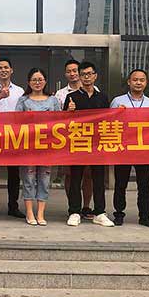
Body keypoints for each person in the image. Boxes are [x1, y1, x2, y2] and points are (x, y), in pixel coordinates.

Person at [63, 61, 114, 227]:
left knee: (98, 179)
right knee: (75, 178)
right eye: (83, 74)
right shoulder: (72, 97)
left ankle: (100, 212)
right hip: (78, 143)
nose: (86, 77)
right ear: (79, 77)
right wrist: (68, 112)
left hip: (97, 145)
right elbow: (63, 123)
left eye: (89, 74)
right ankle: (74, 211)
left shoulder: (102, 97)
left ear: (95, 76)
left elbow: (108, 119)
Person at [110, 69, 149, 228]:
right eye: (135, 79)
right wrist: (117, 114)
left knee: (144, 185)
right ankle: (118, 214)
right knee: (120, 184)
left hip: (144, 150)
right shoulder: (118, 101)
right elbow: (109, 123)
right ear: (129, 82)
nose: (138, 83)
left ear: (146, 82)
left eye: (142, 80)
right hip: (123, 149)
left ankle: (144, 216)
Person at [15, 68, 60, 226]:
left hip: (47, 147)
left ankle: (41, 213)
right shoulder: (23, 101)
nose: (37, 82)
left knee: (44, 179)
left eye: (40, 79)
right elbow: (16, 122)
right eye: (34, 80)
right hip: (28, 146)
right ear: (29, 82)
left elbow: (60, 121)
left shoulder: (53, 100)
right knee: (28, 179)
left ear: (45, 81)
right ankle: (29, 213)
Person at [0, 58, 25, 219]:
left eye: (6, 67)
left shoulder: (20, 91)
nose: (3, 70)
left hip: (13, 136)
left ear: (11, 70)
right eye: (0, 68)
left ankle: (13, 206)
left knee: (14, 173)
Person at [55, 59, 95, 220]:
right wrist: (67, 111)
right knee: (70, 175)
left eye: (75, 71)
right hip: (69, 140)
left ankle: (86, 206)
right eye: (68, 71)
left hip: (90, 141)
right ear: (65, 74)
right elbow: (56, 118)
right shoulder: (61, 94)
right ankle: (73, 206)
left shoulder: (95, 90)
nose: (72, 74)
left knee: (88, 175)